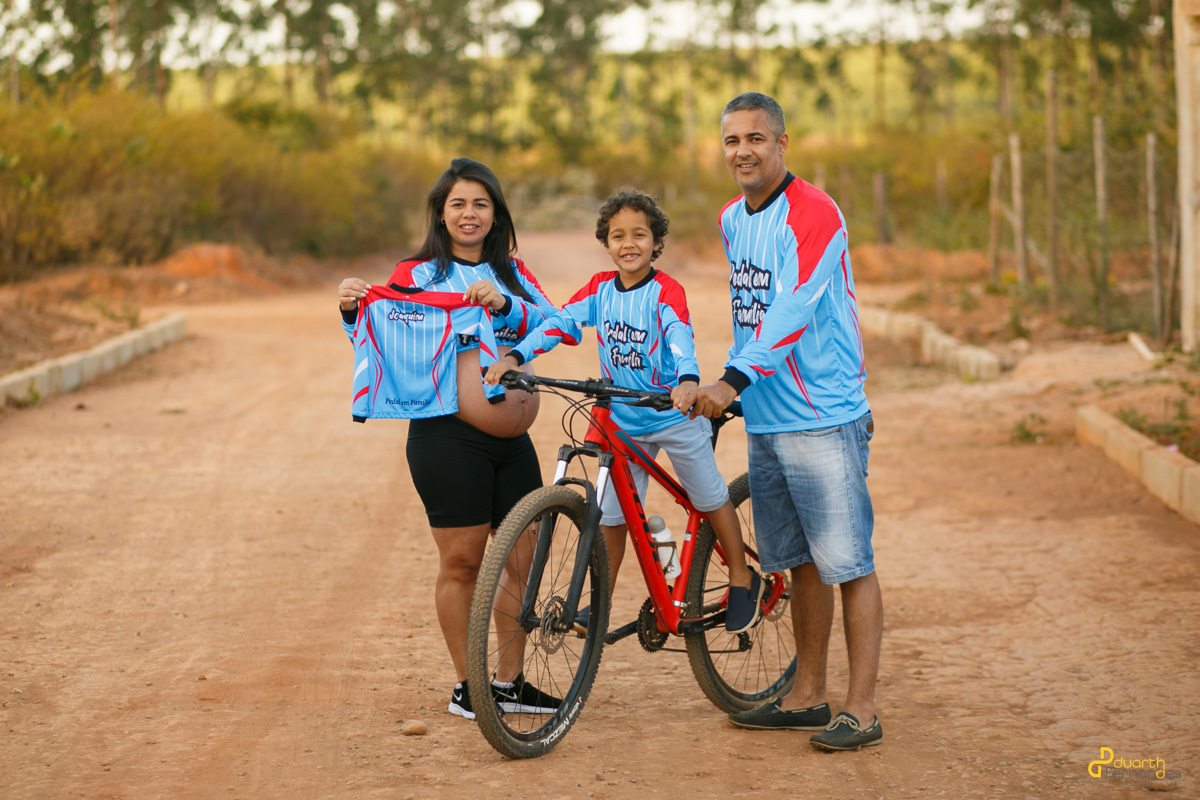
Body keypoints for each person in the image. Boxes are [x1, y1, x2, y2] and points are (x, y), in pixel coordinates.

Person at [689, 92, 885, 751]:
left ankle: (862, 709)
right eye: (731, 140)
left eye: (755, 138)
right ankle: (807, 697)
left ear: (781, 143)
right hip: (768, 417)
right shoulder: (731, 219)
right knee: (798, 564)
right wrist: (738, 392)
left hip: (823, 415)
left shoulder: (815, 211)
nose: (742, 151)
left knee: (848, 563)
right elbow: (749, 313)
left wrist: (731, 379)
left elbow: (792, 309)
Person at [337, 157, 562, 720]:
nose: (469, 214)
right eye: (458, 203)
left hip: (513, 443)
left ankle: (509, 683)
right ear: (441, 213)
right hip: (447, 439)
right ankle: (470, 686)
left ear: (496, 214)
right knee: (463, 563)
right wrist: (350, 308)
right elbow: (380, 330)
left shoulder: (514, 272)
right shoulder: (416, 275)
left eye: (481, 204)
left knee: (525, 558)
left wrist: (505, 304)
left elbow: (555, 323)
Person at [484, 189, 763, 633]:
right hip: (624, 423)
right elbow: (560, 322)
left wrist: (688, 379)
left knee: (709, 498)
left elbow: (679, 335)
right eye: (618, 236)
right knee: (611, 517)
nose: (628, 244)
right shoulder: (599, 289)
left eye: (639, 234)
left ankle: (742, 576)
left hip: (673, 416)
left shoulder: (665, 291)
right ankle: (601, 602)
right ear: (606, 243)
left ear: (656, 241)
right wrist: (516, 357)